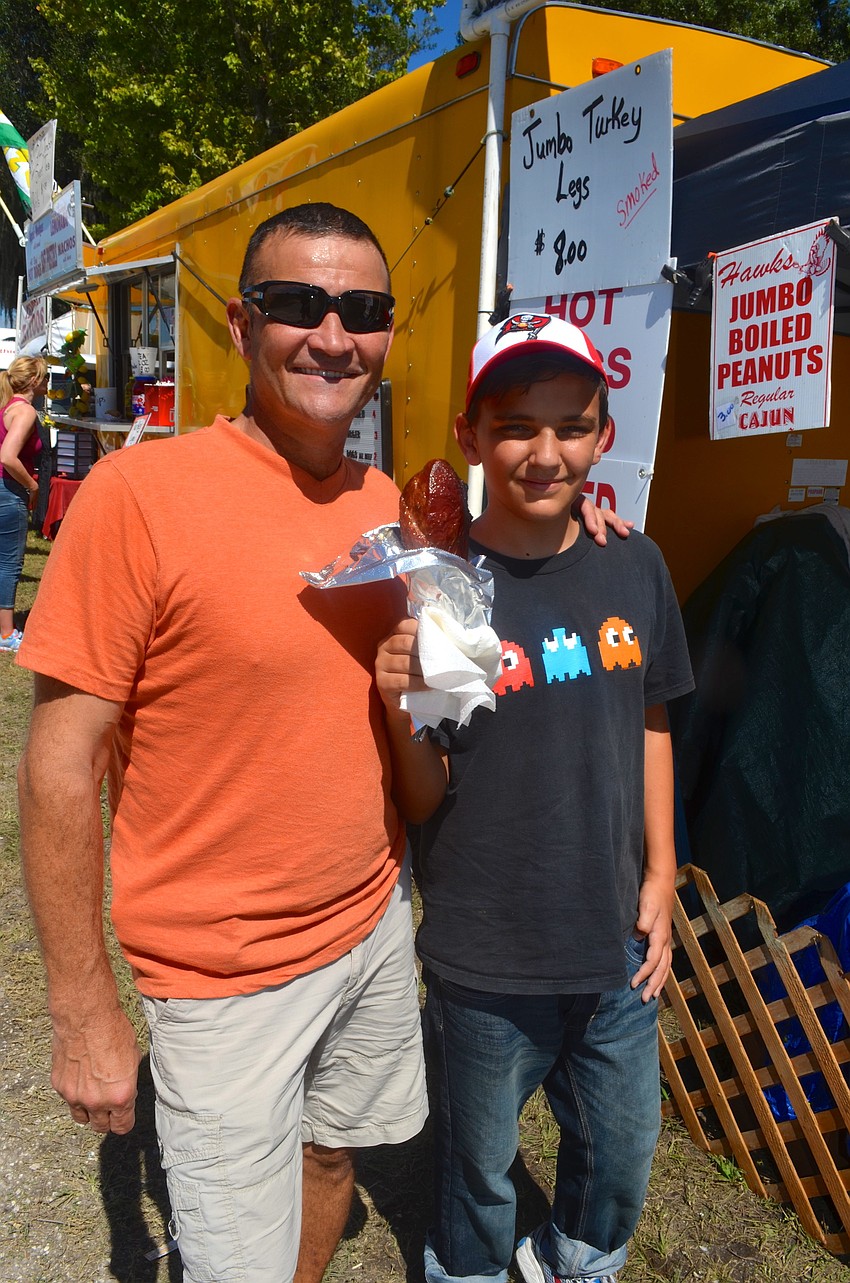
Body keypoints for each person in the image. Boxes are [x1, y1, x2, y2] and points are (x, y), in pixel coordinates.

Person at [15, 207, 626, 1283]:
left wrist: (592, 540)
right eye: (299, 305)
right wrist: (83, 1011)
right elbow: (58, 764)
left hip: (373, 931)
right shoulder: (138, 496)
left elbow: (454, 642)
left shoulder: (388, 506)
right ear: (245, 323)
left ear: (387, 335)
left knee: (332, 1158)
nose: (332, 335)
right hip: (223, 978)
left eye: (363, 310)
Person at [375, 314, 695, 1283]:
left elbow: (651, 721)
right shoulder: (444, 592)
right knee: (476, 1161)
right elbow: (426, 798)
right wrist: (398, 705)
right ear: (472, 436)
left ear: (603, 435)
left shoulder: (634, 563)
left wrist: (664, 869)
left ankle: (577, 1259)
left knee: (621, 1140)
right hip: (484, 951)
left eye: (573, 426)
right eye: (517, 426)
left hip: (613, 943)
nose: (545, 452)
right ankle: (468, 1267)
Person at [0, 355, 47, 652]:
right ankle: (6, 634)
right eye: (44, 377)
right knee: (9, 563)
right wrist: (32, 486)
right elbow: (7, 456)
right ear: (33, 381)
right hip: (10, 491)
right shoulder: (26, 411)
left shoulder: (8, 407)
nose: (47, 382)